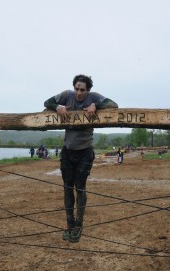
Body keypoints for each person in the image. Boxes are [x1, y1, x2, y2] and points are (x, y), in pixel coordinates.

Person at [44, 74, 118, 242]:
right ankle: (69, 223)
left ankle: (79, 224)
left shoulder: (94, 97)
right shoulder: (66, 95)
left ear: (88, 90)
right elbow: (47, 102)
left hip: (85, 151)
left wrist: (95, 105)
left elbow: (113, 105)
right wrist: (57, 107)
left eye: (82, 90)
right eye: (77, 88)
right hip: (67, 150)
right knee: (67, 187)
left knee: (80, 187)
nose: (78, 93)